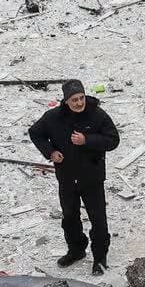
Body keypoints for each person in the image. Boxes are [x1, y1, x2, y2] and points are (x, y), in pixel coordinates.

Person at [28, 78, 119, 274]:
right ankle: (76, 250)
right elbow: (35, 133)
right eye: (74, 100)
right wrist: (50, 152)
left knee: (98, 219)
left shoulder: (97, 115)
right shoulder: (53, 117)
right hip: (66, 176)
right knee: (69, 217)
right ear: (66, 101)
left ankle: (100, 258)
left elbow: (113, 140)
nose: (79, 103)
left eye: (81, 98)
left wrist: (87, 140)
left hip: (92, 177)